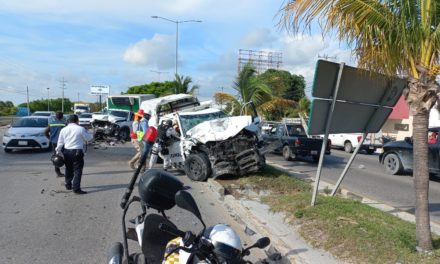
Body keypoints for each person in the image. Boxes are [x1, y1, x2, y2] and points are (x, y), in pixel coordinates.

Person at [56, 114, 93, 195]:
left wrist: (58, 151)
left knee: (68, 168)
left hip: (67, 151)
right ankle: (76, 189)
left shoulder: (64, 129)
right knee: (78, 170)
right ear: (77, 120)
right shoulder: (81, 129)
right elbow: (89, 138)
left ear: (69, 121)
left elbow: (60, 142)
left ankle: (68, 184)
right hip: (77, 152)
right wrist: (89, 133)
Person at [44, 112, 66, 177]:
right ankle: (68, 170)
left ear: (55, 117)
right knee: (67, 156)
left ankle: (58, 172)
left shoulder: (51, 124)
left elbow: (45, 132)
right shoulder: (64, 124)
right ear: (62, 116)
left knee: (56, 157)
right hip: (63, 142)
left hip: (54, 142)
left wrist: (50, 138)